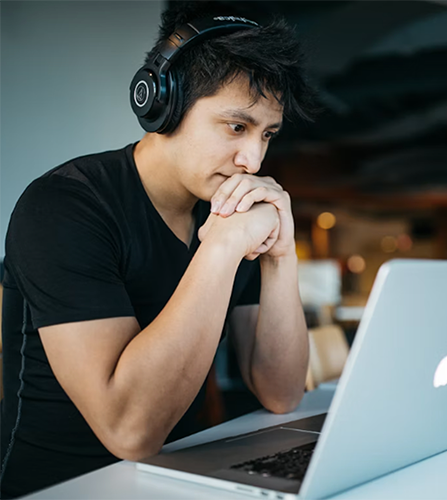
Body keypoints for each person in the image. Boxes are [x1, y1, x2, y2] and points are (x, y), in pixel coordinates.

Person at [0, 2, 315, 498]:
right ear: (163, 104)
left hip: (176, 480)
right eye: (237, 126)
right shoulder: (64, 206)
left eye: (267, 134)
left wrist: (282, 254)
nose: (252, 159)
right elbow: (129, 431)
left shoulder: (228, 207)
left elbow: (281, 393)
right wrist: (224, 246)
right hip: (61, 486)